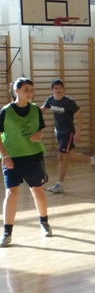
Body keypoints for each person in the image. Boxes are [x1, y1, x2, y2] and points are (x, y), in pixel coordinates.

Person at [0, 78, 52, 247]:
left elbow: (40, 128)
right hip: (13, 157)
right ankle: (7, 232)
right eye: (25, 90)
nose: (29, 93)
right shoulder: (6, 112)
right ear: (16, 91)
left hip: (33, 156)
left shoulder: (36, 109)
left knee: (37, 191)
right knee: (11, 193)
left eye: (31, 90)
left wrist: (40, 133)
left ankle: (44, 222)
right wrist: (5, 156)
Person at [41, 79, 95, 194]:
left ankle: (60, 185)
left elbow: (79, 117)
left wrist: (78, 132)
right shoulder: (51, 100)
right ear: (52, 90)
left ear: (63, 89)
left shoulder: (69, 102)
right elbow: (42, 110)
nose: (58, 90)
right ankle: (93, 160)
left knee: (61, 157)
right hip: (59, 133)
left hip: (68, 133)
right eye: (56, 88)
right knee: (71, 155)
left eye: (60, 88)